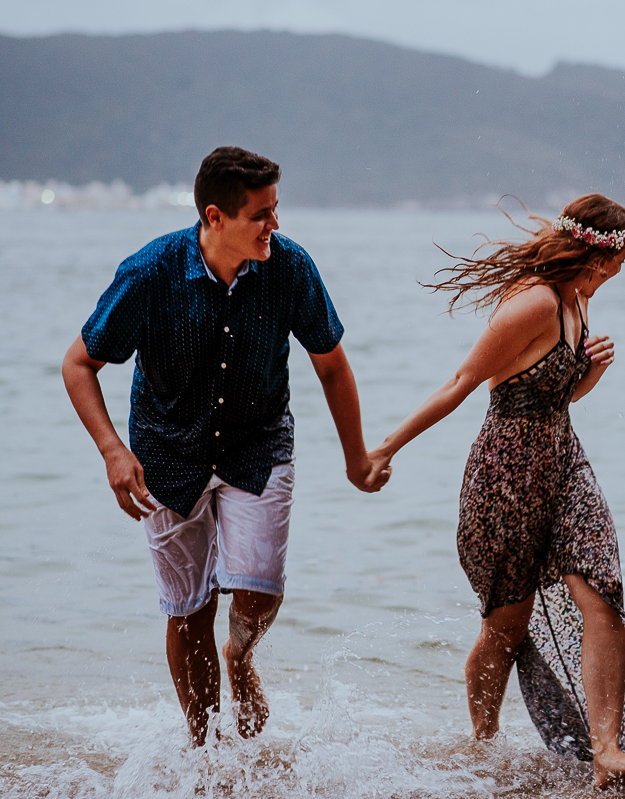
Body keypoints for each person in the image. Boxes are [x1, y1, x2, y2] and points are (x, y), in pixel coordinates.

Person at [62, 146, 388, 746]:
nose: (274, 225)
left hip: (257, 446)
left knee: (259, 591)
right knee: (189, 612)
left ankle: (240, 655)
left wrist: (356, 459)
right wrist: (112, 451)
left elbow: (332, 366)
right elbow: (79, 363)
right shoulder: (150, 272)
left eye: (275, 209)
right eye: (261, 214)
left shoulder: (290, 267)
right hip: (166, 455)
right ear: (216, 216)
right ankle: (206, 755)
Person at [366, 194, 625, 787]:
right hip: (506, 478)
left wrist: (592, 372)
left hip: (564, 464)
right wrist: (385, 449)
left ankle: (606, 749)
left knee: (601, 591)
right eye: (621, 258)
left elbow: (558, 394)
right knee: (505, 627)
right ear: (598, 254)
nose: (622, 270)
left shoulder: (579, 299)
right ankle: (482, 745)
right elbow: (461, 382)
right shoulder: (535, 303)